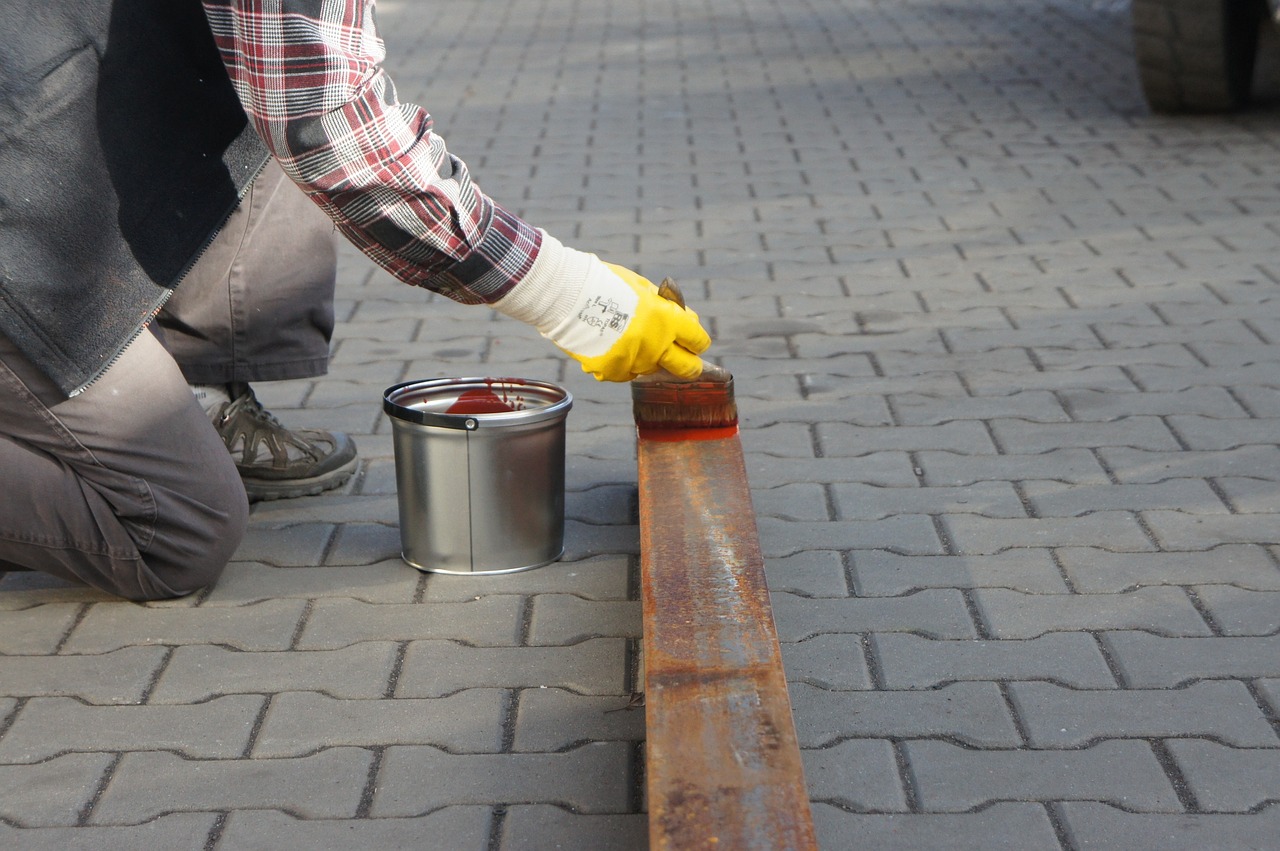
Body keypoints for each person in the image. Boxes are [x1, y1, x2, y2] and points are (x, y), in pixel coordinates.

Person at [0, 0, 711, 601]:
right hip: (21, 203)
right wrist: (576, 298)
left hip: (52, 106)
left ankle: (210, 401)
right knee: (183, 526)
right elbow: (331, 129)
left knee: (259, 104)